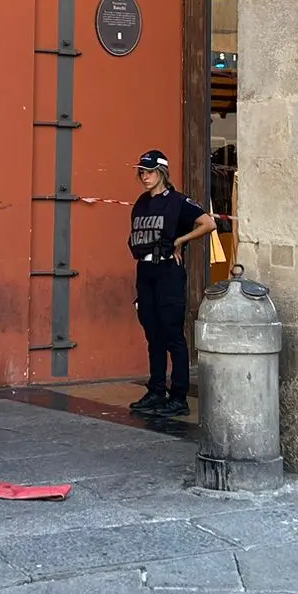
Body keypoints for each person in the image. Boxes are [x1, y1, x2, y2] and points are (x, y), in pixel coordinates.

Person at [125, 149, 216, 419]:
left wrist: (180, 241)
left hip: (168, 271)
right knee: (152, 334)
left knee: (172, 334)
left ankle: (178, 396)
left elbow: (208, 223)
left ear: (162, 173)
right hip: (145, 269)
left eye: (150, 171)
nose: (145, 176)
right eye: (142, 171)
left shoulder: (178, 201)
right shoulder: (141, 202)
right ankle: (155, 390)